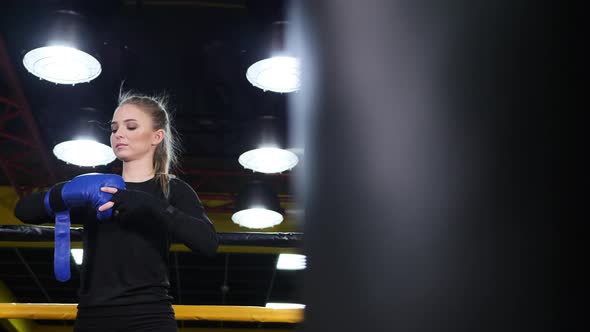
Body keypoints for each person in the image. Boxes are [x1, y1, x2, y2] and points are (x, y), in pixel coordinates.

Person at [14, 91, 219, 332]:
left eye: (130, 127)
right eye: (114, 128)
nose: (118, 134)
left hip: (150, 317)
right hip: (92, 318)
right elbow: (24, 211)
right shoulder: (96, 189)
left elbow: (208, 243)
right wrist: (64, 192)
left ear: (157, 136)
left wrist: (152, 206)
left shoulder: (172, 189)